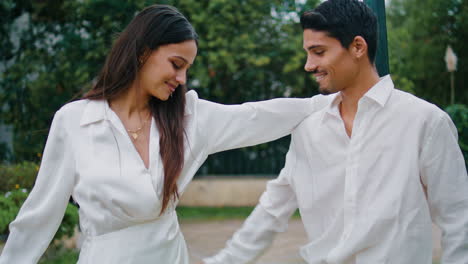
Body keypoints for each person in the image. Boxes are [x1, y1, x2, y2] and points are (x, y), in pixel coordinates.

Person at [0, 5, 321, 264]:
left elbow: (258, 116)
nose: (182, 79)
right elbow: (39, 215)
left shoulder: (190, 119)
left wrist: (334, 99)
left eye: (187, 69)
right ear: (143, 52)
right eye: (176, 64)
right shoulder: (74, 121)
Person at [202, 0, 468, 263]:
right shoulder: (309, 127)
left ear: (357, 47)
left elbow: (459, 220)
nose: (308, 65)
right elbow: (273, 208)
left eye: (318, 52)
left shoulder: (425, 122)